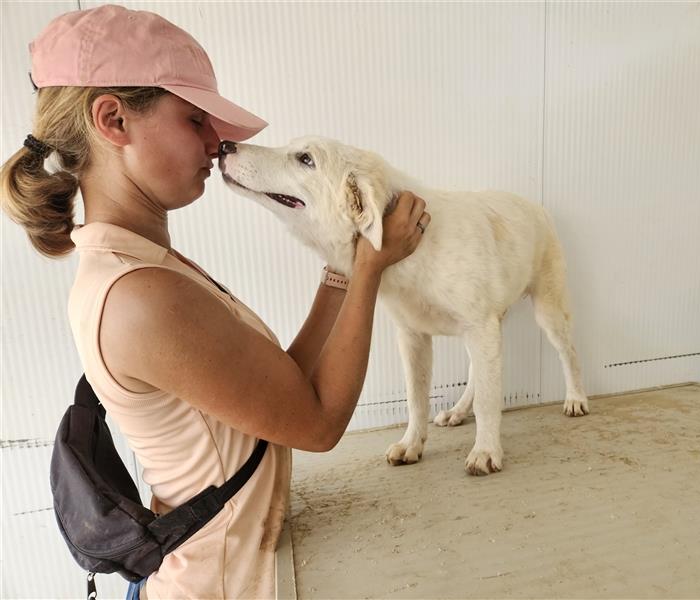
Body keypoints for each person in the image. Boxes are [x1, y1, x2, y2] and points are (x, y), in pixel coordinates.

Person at [0, 5, 430, 599]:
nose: (217, 141)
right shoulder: (140, 296)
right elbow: (319, 423)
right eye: (194, 119)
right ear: (113, 119)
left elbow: (283, 387)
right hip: (213, 585)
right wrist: (371, 269)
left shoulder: (146, 264)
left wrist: (344, 268)